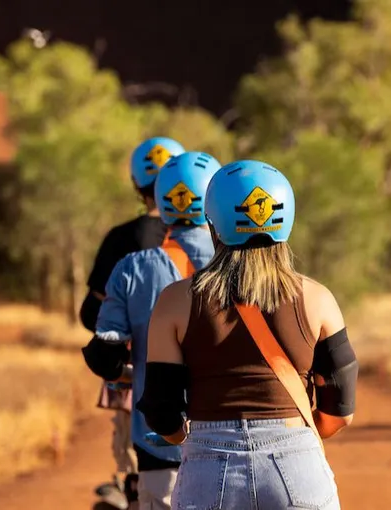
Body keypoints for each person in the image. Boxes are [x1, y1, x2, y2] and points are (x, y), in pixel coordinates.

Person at [137, 160, 357, 509]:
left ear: (212, 224)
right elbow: (339, 413)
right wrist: (293, 441)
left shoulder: (175, 302)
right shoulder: (318, 299)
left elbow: (161, 412)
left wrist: (192, 441)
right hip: (297, 467)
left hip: (208, 471)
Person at [82, 151, 221, 510]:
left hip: (159, 440)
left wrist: (128, 371)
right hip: (230, 439)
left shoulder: (131, 268)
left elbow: (105, 355)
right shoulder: (245, 268)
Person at [79, 136, 185, 506]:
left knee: (143, 475)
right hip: (209, 396)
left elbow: (91, 315)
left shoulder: (122, 238)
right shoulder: (216, 240)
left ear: (136, 185)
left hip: (133, 382)